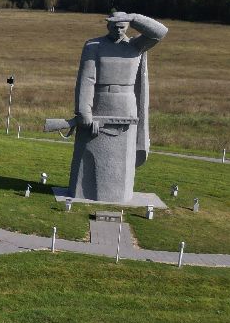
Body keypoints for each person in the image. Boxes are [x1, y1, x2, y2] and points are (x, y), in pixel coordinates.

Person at [66, 11, 168, 203]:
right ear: (107, 25)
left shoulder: (136, 46)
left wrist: (134, 17)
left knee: (122, 161)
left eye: (122, 26)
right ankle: (87, 192)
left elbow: (160, 32)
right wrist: (84, 112)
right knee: (89, 155)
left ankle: (118, 195)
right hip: (99, 105)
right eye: (114, 26)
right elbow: (86, 80)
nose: (118, 30)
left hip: (127, 107)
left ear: (128, 26)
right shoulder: (93, 46)